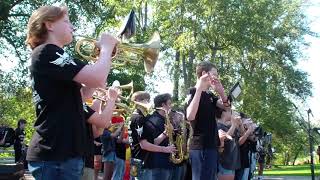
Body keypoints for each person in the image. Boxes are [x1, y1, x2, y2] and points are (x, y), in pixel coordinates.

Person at [26, 5, 118, 180]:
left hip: (63, 154)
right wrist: (106, 47)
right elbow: (97, 78)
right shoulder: (47, 52)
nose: (72, 27)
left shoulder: (54, 55)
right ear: (49, 25)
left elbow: (83, 96)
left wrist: (103, 58)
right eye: (66, 21)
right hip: (54, 153)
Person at [185, 61, 230, 180]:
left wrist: (221, 92)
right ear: (204, 73)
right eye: (214, 74)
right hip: (200, 146)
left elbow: (227, 108)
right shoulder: (193, 91)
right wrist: (199, 89)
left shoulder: (210, 95)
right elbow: (190, 116)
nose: (216, 77)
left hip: (212, 146)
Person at [139, 93, 177, 180]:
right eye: (170, 103)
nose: (171, 106)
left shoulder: (165, 119)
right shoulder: (153, 120)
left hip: (166, 162)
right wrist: (165, 134)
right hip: (157, 164)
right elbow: (152, 143)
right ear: (163, 105)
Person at [129, 91, 151, 180]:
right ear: (138, 101)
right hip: (140, 157)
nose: (149, 102)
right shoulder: (139, 118)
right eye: (146, 100)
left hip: (136, 156)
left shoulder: (137, 116)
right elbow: (143, 142)